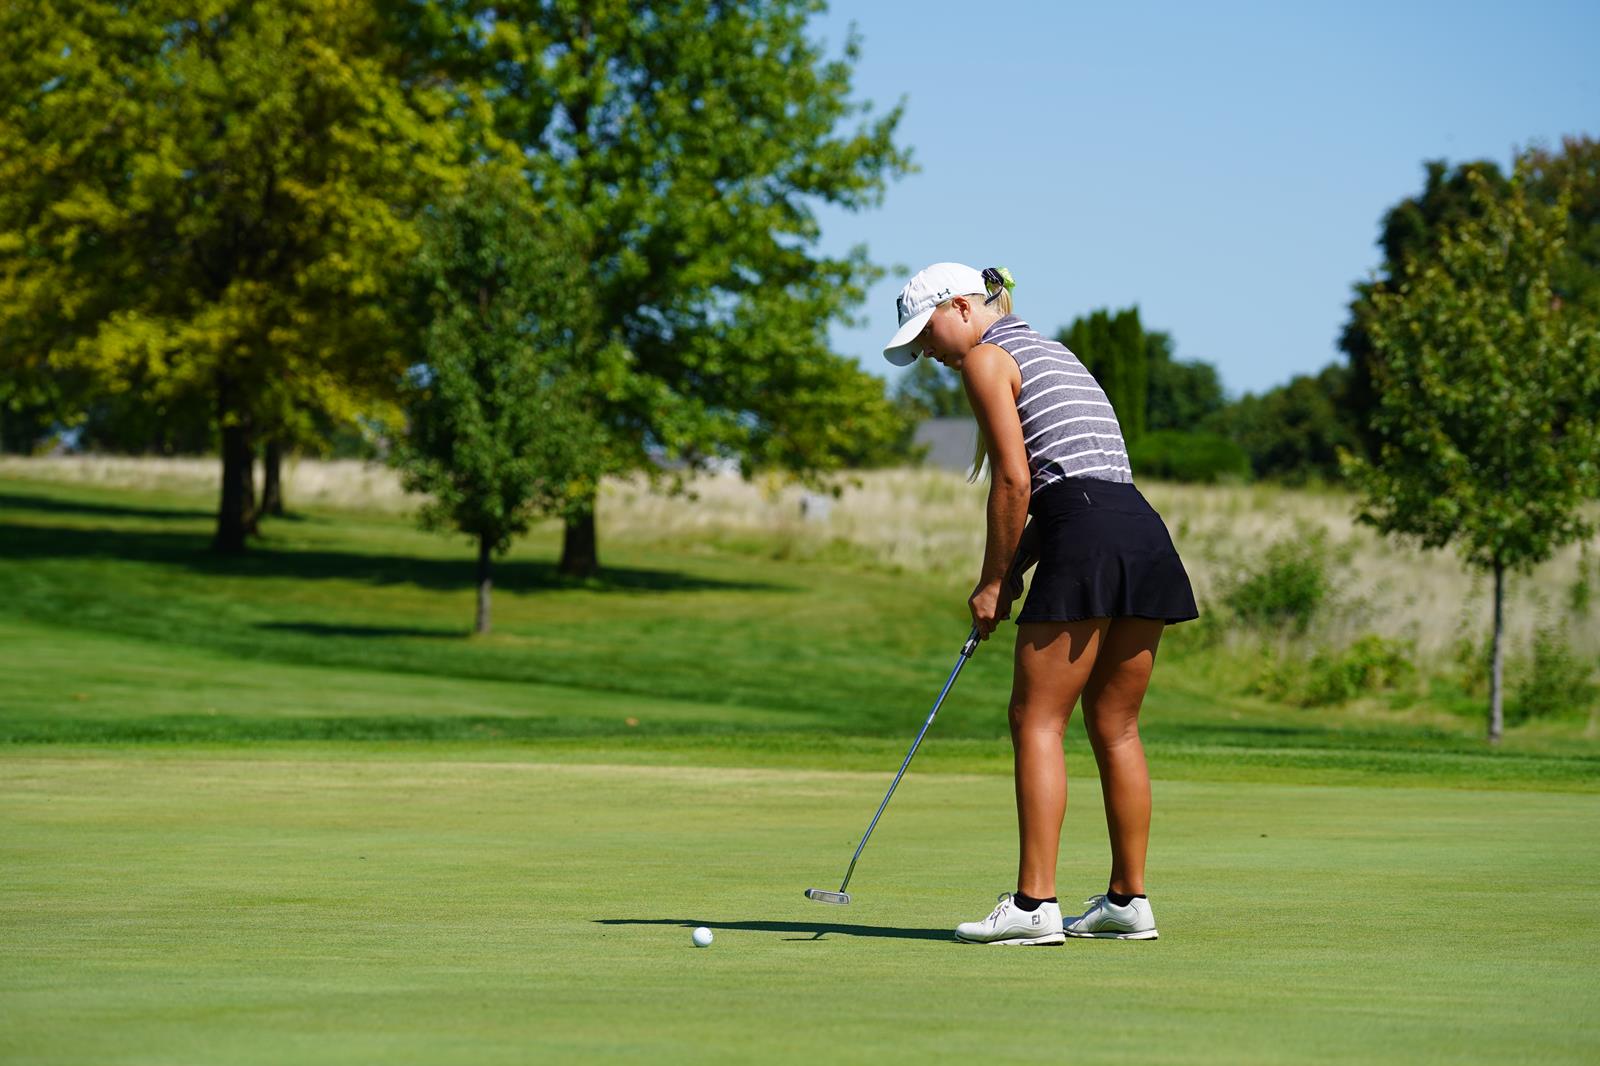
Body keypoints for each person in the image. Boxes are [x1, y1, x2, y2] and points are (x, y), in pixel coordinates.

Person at [882, 263, 1199, 945]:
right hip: (1138, 530)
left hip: (1084, 531)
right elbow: (1073, 482)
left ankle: (1033, 906)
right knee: (1115, 726)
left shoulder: (987, 359)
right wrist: (1018, 565)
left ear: (962, 307)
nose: (928, 353)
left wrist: (993, 579)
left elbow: (1015, 482)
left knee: (1036, 718)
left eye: (928, 334)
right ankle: (1127, 901)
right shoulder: (1052, 349)